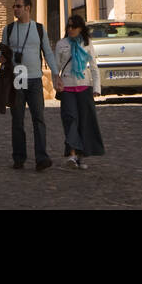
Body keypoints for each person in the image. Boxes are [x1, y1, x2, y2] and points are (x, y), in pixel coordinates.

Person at [0, 0, 60, 170]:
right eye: (14, 6)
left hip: (34, 78)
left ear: (28, 8)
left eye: (18, 6)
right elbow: (2, 50)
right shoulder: (9, 29)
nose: (15, 9)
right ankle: (19, 158)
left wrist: (56, 73)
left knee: (38, 118)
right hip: (17, 77)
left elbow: (48, 52)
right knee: (17, 119)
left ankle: (41, 158)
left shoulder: (39, 29)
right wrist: (1, 57)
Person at [55, 14, 105, 169]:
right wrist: (57, 83)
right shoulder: (61, 44)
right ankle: (71, 155)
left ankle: (79, 157)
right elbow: (55, 68)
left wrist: (96, 88)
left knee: (84, 122)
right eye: (68, 26)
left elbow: (94, 67)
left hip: (84, 87)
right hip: (67, 87)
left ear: (80, 28)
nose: (70, 29)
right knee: (70, 120)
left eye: (73, 27)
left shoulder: (87, 43)